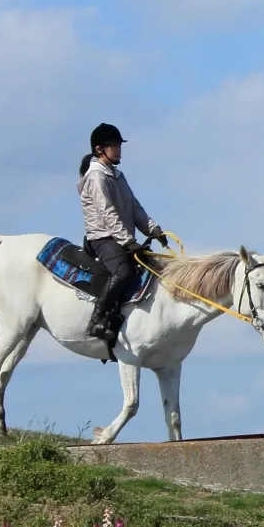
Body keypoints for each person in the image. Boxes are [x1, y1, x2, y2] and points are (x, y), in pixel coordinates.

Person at [77, 124, 165, 359]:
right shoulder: (95, 176)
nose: (118, 150)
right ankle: (97, 319)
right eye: (114, 146)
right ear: (100, 149)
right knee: (125, 272)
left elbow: (134, 207)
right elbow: (107, 213)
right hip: (103, 238)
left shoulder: (117, 175)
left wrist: (154, 229)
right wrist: (128, 241)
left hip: (122, 238)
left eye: (118, 145)